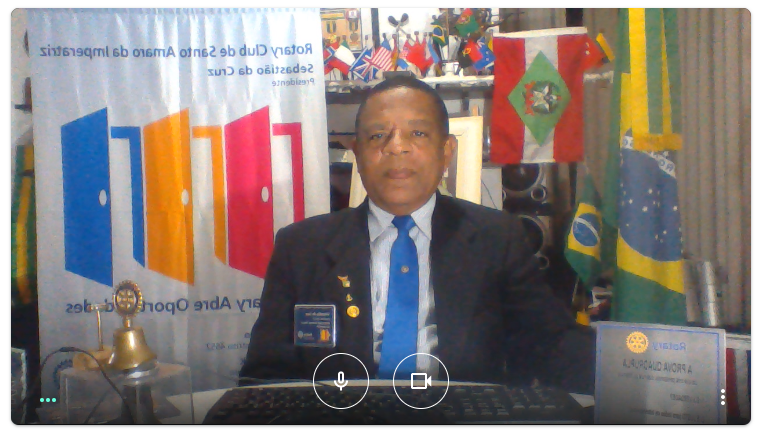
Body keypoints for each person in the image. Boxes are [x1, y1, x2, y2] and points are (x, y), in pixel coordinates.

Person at [239, 76, 595, 394]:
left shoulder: (497, 238)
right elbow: (266, 375)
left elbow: (552, 344)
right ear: (357, 154)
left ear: (446, 152)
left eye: (418, 134)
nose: (396, 147)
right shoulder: (302, 247)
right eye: (377, 135)